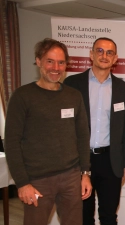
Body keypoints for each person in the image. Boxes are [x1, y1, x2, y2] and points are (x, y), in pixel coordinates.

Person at [5, 38, 91, 225]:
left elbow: (83, 136)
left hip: (71, 177)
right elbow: (11, 143)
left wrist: (85, 173)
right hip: (37, 181)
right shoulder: (22, 96)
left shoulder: (73, 96)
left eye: (61, 62)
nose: (56, 67)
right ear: (38, 61)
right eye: (50, 61)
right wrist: (22, 183)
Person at [64, 37, 125, 225]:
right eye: (100, 51)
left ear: (115, 58)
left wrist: (124, 163)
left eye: (109, 52)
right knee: (82, 215)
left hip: (110, 161)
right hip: (80, 160)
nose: (104, 55)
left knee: (109, 216)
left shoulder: (122, 88)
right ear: (91, 54)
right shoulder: (72, 84)